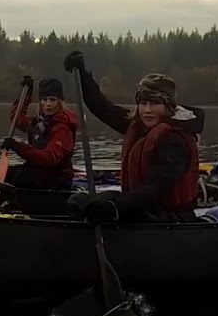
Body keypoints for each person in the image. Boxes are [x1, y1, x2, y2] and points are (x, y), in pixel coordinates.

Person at [61, 51, 206, 224]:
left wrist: (115, 207)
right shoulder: (138, 125)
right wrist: (82, 74)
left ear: (168, 107)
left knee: (106, 204)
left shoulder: (175, 140)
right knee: (80, 202)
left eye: (155, 104)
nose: (147, 110)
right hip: (143, 206)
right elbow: (102, 108)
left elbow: (155, 188)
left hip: (170, 217)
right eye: (143, 103)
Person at [0, 75, 78, 191]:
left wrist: (18, 147)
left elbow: (48, 159)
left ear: (60, 102)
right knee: (9, 174)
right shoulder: (37, 123)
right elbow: (17, 119)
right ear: (40, 102)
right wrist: (26, 95)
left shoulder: (63, 129)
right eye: (45, 100)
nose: (48, 104)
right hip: (40, 172)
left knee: (23, 177)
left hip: (58, 179)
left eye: (53, 100)